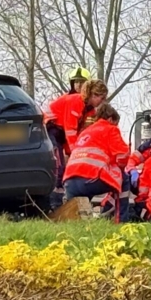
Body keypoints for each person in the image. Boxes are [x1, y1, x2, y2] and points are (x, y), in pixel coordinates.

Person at [43, 79, 109, 209]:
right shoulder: (75, 101)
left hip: (59, 132)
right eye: (101, 98)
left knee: (64, 167)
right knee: (58, 167)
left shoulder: (88, 110)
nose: (102, 102)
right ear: (93, 95)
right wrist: (76, 153)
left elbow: (82, 132)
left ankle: (58, 203)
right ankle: (54, 204)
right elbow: (70, 130)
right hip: (50, 128)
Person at [63, 103, 130, 221]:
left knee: (79, 216)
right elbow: (123, 155)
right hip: (90, 180)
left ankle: (81, 222)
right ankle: (121, 220)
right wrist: (119, 168)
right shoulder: (110, 128)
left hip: (69, 182)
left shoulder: (85, 132)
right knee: (123, 179)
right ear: (110, 119)